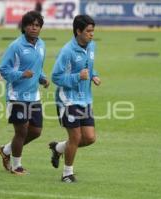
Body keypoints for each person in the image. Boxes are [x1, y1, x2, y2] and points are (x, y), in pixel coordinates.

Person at [50, 15, 101, 183]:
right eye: (88, 31)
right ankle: (67, 174)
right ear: (78, 31)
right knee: (75, 137)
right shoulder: (67, 51)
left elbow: (88, 67)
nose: (91, 34)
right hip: (68, 99)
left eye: (93, 31)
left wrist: (93, 75)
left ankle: (58, 148)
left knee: (90, 138)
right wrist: (77, 77)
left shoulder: (92, 46)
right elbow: (56, 77)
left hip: (85, 98)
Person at [0, 11, 49, 175]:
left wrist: (42, 78)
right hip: (16, 96)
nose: (34, 28)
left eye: (37, 25)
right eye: (30, 25)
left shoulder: (41, 45)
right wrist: (21, 74)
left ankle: (6, 150)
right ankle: (16, 165)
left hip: (34, 96)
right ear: (24, 27)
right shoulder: (15, 46)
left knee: (36, 131)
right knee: (21, 131)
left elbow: (37, 67)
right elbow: (3, 70)